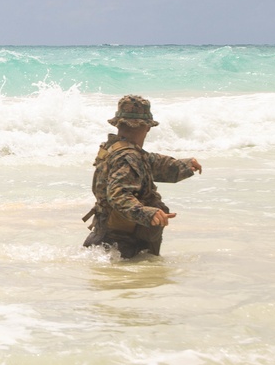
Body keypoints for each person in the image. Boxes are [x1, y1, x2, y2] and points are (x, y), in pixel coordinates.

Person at [83, 95, 203, 258]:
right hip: (122, 248)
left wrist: (183, 165)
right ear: (147, 127)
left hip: (107, 242)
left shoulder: (116, 149)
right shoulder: (127, 157)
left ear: (119, 124)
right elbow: (118, 195)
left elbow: (150, 162)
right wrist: (147, 213)